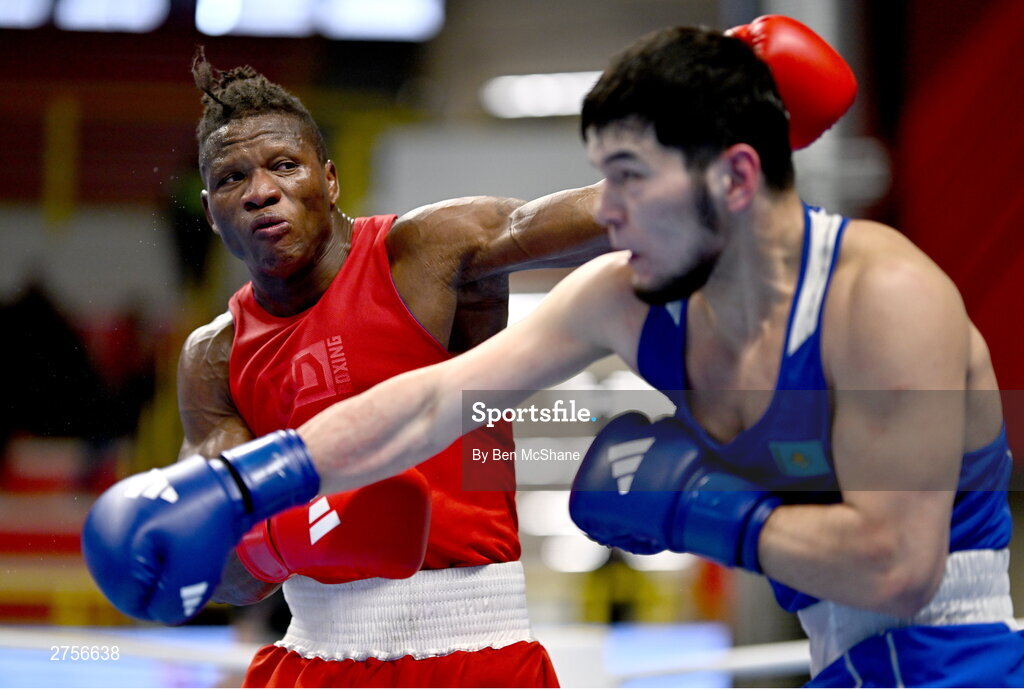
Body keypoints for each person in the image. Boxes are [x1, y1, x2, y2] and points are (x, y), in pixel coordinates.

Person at [82, 15, 1020, 687]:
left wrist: (697, 510)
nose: (602, 212)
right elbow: (432, 402)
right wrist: (257, 489)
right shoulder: (621, 296)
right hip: (839, 667)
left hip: (962, 668)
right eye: (603, 177)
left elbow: (901, 568)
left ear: (732, 175)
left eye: (625, 180)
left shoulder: (883, 293)